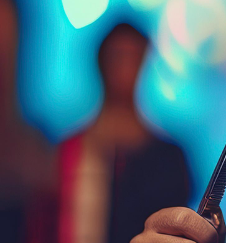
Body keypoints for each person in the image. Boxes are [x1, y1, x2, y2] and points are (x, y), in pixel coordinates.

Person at [58, 24, 192, 243]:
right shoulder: (71, 151)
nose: (123, 68)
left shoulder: (169, 157)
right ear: (101, 63)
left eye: (132, 57)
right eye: (117, 57)